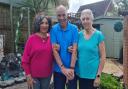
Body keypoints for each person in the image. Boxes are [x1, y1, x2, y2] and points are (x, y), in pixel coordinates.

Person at [76, 9, 106, 89]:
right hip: (80, 74)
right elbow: (76, 52)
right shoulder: (79, 35)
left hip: (93, 76)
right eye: (83, 19)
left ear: (92, 19)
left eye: (87, 18)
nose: (85, 21)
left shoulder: (98, 35)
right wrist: (70, 49)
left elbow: (103, 57)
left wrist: (98, 75)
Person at [50, 5, 78, 89]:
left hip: (72, 68)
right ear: (56, 16)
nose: (61, 18)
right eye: (59, 15)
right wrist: (62, 68)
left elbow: (74, 50)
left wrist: (72, 68)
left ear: (67, 14)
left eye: (63, 15)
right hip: (58, 69)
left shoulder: (74, 29)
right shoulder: (53, 30)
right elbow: (54, 50)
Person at [22, 14, 53, 89]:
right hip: (33, 76)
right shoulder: (31, 39)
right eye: (42, 23)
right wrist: (28, 75)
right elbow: (25, 60)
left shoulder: (52, 38)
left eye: (46, 23)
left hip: (47, 75)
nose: (44, 25)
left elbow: (56, 54)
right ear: (37, 24)